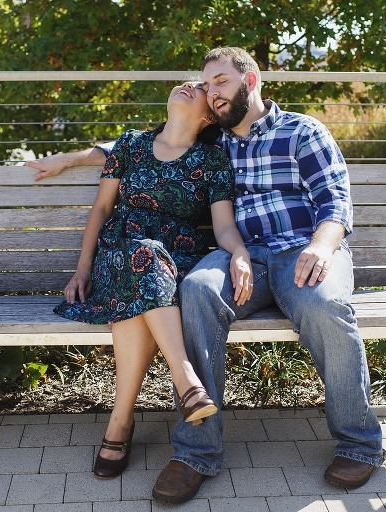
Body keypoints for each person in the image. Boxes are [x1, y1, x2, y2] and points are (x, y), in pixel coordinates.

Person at [150, 47, 385, 504]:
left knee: (325, 306)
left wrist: (320, 246)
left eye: (220, 82)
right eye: (206, 86)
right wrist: (70, 159)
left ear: (250, 81)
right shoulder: (210, 140)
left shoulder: (302, 131)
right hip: (245, 257)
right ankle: (197, 451)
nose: (211, 93)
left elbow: (335, 203)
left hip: (305, 249)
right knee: (196, 289)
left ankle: (360, 444)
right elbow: (143, 146)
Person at [25, 81, 253, 480]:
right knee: (139, 255)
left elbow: (223, 227)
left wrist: (239, 253)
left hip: (173, 265)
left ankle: (121, 423)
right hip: (119, 255)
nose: (188, 85)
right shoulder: (130, 145)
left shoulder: (212, 160)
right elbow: (101, 209)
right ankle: (185, 381)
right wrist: (81, 269)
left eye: (199, 87)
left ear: (207, 117)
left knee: (142, 288)